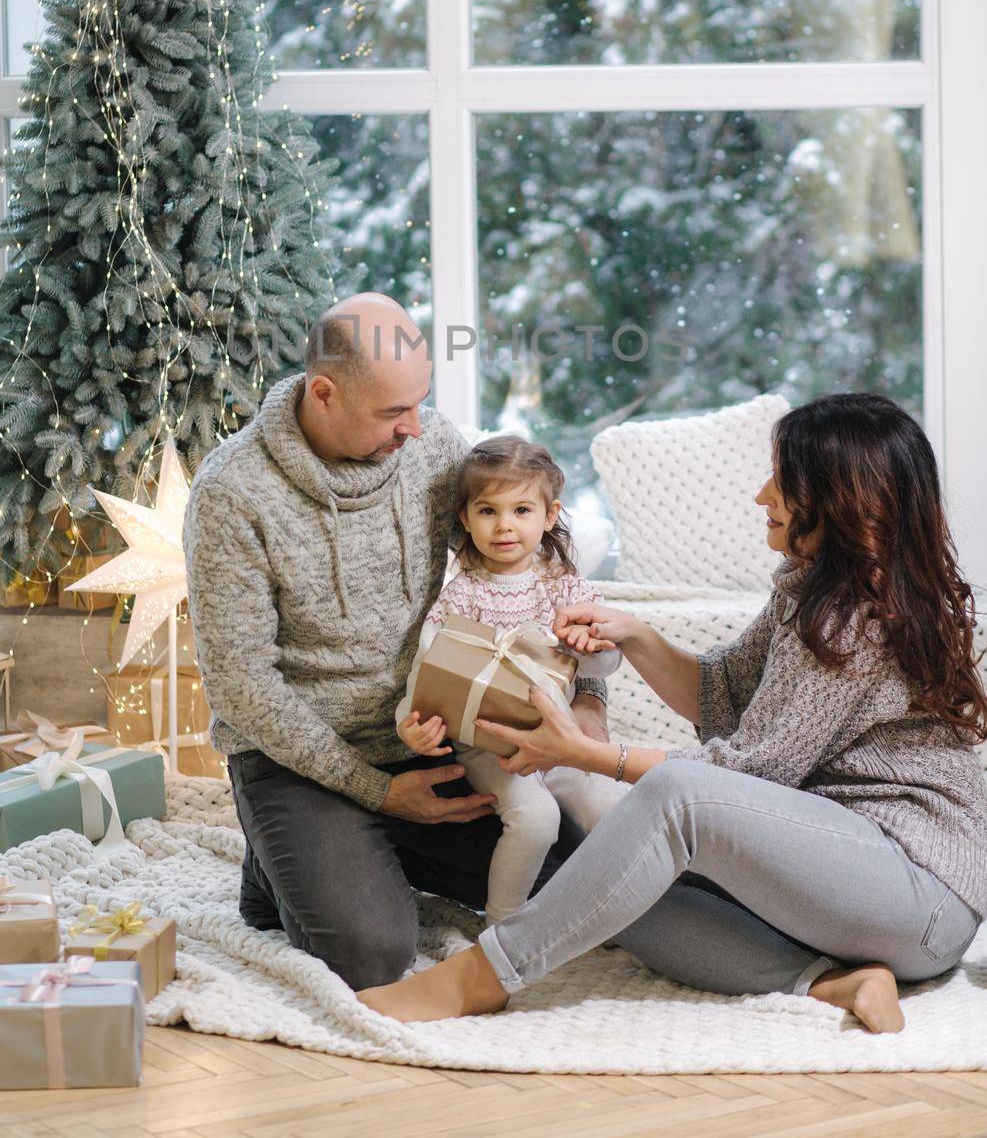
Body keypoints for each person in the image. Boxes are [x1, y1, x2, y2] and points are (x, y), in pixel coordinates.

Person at [358, 392, 987, 1034]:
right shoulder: (811, 588)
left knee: (674, 797)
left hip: (918, 892)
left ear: (839, 501)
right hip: (837, 878)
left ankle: (482, 977)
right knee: (611, 877)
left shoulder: (854, 618)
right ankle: (832, 981)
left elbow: (750, 771)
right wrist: (634, 635)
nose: (761, 496)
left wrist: (582, 752)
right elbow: (720, 693)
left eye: (782, 480)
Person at [183, 292, 611, 988]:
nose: (416, 427)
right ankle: (287, 861)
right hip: (303, 759)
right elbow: (241, 684)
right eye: (392, 412)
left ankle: (350, 859)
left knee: (570, 878)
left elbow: (530, 559)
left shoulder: (431, 447)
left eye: (421, 403)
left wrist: (586, 689)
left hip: (436, 739)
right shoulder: (233, 494)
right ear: (323, 393)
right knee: (371, 956)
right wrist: (374, 791)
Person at [395, 434, 627, 925]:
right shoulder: (461, 595)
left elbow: (601, 669)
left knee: (610, 805)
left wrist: (596, 649)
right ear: (466, 518)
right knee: (536, 820)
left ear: (549, 515)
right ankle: (502, 927)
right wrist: (406, 724)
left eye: (521, 511)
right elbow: (426, 669)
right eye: (488, 511)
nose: (505, 526)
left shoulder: (566, 586)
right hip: (491, 745)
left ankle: (610, 915)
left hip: (559, 736)